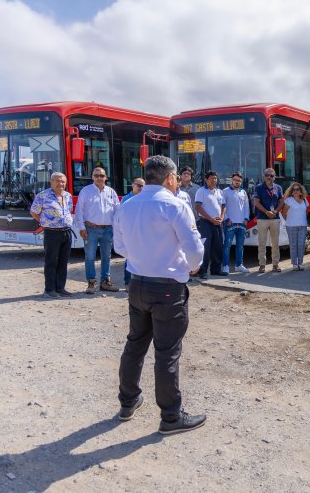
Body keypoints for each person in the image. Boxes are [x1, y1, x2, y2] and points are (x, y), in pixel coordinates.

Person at [113, 155, 206, 435]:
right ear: (169, 178)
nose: (177, 182)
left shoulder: (127, 206)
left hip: (138, 283)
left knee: (135, 345)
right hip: (167, 288)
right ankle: (170, 417)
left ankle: (128, 402)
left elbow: (120, 248)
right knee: (167, 353)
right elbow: (194, 250)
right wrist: (191, 267)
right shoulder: (175, 205)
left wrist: (144, 257)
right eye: (176, 177)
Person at [74, 167, 121, 294]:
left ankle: (105, 282)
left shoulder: (111, 192)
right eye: (96, 175)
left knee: (107, 256)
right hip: (91, 229)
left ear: (106, 177)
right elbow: (79, 211)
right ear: (92, 177)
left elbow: (117, 211)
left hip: (108, 230)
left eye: (102, 175)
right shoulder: (86, 191)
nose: (99, 178)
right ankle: (91, 283)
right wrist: (82, 228)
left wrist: (117, 228)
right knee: (90, 257)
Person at [29, 172, 74, 299]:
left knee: (63, 262)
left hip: (66, 232)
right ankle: (49, 290)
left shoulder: (68, 196)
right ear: (51, 182)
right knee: (51, 262)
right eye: (57, 181)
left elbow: (68, 211)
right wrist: (44, 222)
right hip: (52, 233)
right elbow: (34, 212)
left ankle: (60, 288)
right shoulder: (43, 196)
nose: (60, 183)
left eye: (63, 181)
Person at [194, 171, 227, 278]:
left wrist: (221, 218)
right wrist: (211, 219)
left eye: (215, 178)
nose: (214, 180)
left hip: (217, 223)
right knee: (205, 248)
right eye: (212, 178)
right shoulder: (201, 191)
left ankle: (216, 270)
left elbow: (223, 206)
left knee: (218, 247)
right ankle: (202, 271)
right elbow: (198, 207)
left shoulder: (219, 191)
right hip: (205, 222)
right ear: (206, 180)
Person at [254, 168, 284, 273]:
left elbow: (281, 202)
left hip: (275, 218)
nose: (269, 177)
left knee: (275, 243)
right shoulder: (259, 187)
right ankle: (262, 265)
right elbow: (256, 203)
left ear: (274, 177)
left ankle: (275, 264)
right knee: (262, 242)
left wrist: (275, 211)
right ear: (264, 176)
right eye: (267, 175)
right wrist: (267, 212)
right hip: (262, 218)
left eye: (271, 175)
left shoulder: (278, 188)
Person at [222, 172, 250, 274]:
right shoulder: (225, 191)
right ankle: (225, 266)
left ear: (241, 181)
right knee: (227, 246)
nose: (237, 182)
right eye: (235, 180)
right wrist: (226, 219)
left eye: (239, 180)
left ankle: (239, 265)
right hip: (230, 223)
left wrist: (246, 218)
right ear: (232, 180)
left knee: (240, 246)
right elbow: (222, 206)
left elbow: (246, 206)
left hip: (241, 223)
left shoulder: (243, 192)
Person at [120, 178, 145, 288]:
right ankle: (128, 283)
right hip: (130, 233)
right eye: (139, 185)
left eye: (143, 186)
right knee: (130, 259)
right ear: (132, 185)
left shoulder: (145, 198)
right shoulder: (126, 199)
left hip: (143, 233)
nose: (141, 188)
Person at [281, 182, 310, 271]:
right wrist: (289, 221)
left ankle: (300, 263)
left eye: (297, 189)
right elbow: (283, 213)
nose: (295, 191)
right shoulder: (289, 200)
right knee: (293, 245)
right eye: (294, 190)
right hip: (291, 226)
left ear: (301, 191)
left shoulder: (305, 200)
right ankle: (294, 264)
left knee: (301, 245)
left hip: (303, 226)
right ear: (291, 191)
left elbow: (306, 212)